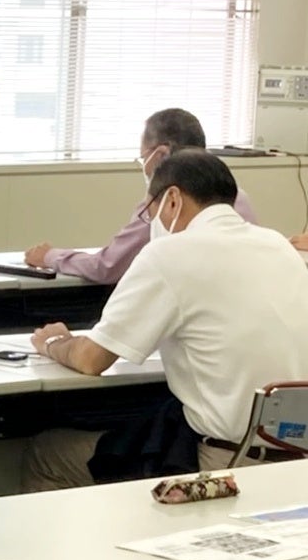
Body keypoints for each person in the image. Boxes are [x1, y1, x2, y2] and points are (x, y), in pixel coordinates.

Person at [21, 150, 308, 492]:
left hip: (223, 466)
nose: (152, 220)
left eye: (150, 210)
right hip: (295, 461)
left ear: (172, 199)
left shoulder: (169, 254)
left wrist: (55, 342)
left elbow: (91, 359)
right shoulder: (278, 245)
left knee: (47, 454)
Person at [23, 108, 256, 283]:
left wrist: (50, 256)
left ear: (159, 154)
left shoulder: (163, 206)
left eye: (144, 157)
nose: (144, 166)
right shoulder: (238, 197)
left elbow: (107, 267)